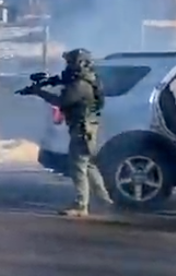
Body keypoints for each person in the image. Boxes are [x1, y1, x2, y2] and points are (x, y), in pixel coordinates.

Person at [17, 48, 112, 217]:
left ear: (80, 63)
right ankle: (104, 201)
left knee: (77, 166)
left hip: (82, 129)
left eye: (71, 62)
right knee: (87, 165)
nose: (68, 65)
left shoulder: (81, 85)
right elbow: (61, 80)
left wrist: (39, 92)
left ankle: (81, 205)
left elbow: (61, 101)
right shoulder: (86, 79)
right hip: (86, 128)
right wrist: (48, 82)